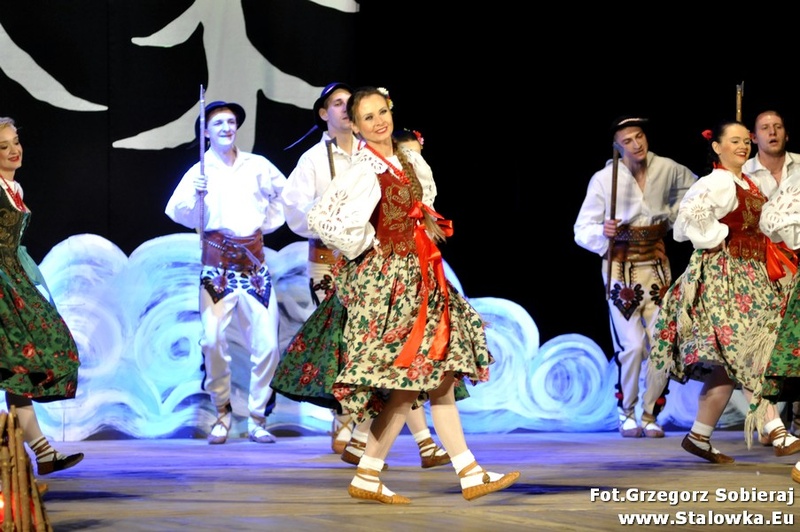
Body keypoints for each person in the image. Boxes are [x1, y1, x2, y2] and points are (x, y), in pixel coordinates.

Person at [275, 86, 519, 503]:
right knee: (411, 379)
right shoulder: (363, 169)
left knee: (436, 377)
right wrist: (367, 245)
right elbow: (322, 217)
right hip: (392, 284)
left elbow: (419, 207)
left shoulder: (406, 160)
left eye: (382, 112)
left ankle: (448, 472)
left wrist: (420, 225)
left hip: (421, 274)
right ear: (355, 126)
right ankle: (394, 472)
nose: (378, 121)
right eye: (367, 117)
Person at [278, 84, 449, 468]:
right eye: (337, 104)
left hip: (385, 266)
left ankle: (368, 439)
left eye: (350, 103)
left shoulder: (385, 154)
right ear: (327, 114)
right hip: (334, 264)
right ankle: (356, 432)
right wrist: (348, 227)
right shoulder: (315, 159)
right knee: (354, 349)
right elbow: (298, 212)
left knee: (392, 351)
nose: (345, 109)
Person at [648, 119, 800, 464]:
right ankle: (776, 430)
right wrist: (716, 237)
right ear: (717, 147)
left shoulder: (748, 182)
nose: (743, 146)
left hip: (752, 276)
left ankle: (699, 436)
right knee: (747, 352)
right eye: (734, 141)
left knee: (727, 367)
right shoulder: (716, 181)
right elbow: (688, 221)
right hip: (724, 278)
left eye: (746, 141)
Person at [165, 100, 287, 445]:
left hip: (254, 266)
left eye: (231, 122)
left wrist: (265, 223)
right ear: (206, 132)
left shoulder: (257, 165)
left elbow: (286, 195)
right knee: (212, 339)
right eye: (218, 123)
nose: (226, 128)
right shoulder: (200, 170)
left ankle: (258, 417)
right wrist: (197, 196)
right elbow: (177, 211)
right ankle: (222, 410)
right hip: (217, 267)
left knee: (267, 345)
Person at [574, 116, 697, 438]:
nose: (636, 144)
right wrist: (604, 232)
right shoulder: (604, 179)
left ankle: (650, 412)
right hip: (621, 269)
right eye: (627, 141)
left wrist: (673, 218)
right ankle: (626, 411)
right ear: (617, 147)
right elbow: (581, 229)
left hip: (656, 266)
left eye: (639, 136)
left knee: (661, 343)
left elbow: (696, 192)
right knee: (631, 346)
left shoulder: (667, 168)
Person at [0, 117, 83, 475]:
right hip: (3, 286)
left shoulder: (13, 187)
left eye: (15, 142)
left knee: (22, 369)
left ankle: (42, 452)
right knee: (17, 367)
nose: (13, 150)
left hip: (12, 281)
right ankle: (36, 452)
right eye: (3, 146)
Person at [743, 109, 800, 438]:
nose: (772, 132)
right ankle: (770, 420)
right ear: (754, 137)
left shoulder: (799, 167)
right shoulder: (743, 172)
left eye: (778, 126)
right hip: (761, 266)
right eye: (765, 128)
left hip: (796, 262)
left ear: (786, 134)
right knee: (765, 343)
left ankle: (794, 421)